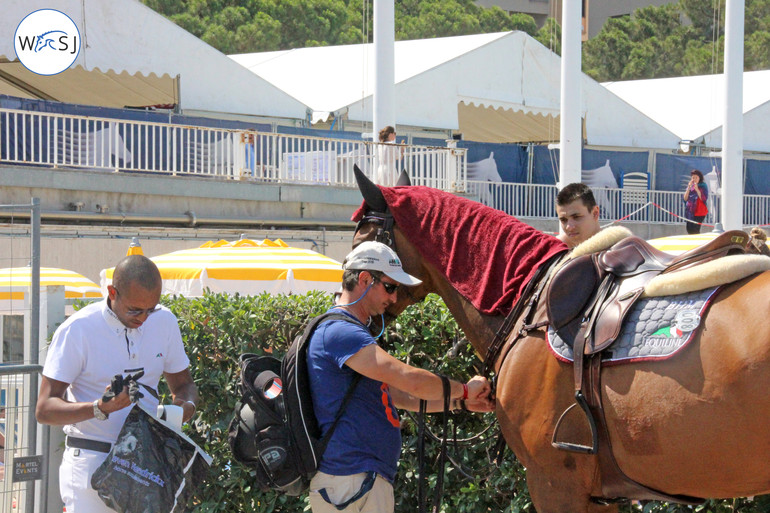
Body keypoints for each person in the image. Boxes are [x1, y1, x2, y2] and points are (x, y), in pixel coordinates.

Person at [307, 241, 494, 513]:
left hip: (357, 481)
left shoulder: (350, 334)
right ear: (365, 279)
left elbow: (399, 396)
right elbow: (409, 379)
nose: (394, 298)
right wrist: (464, 390)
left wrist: (459, 403)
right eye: (391, 287)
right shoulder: (339, 332)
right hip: (350, 482)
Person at [36, 255, 198, 513]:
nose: (143, 318)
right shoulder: (78, 329)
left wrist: (185, 406)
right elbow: (44, 409)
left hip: (147, 463)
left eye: (151, 309)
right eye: (135, 309)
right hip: (92, 462)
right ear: (112, 292)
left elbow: (184, 384)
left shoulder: (164, 321)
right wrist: (100, 407)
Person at [555, 182, 602, 249]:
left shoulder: (618, 250)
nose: (569, 227)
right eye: (563, 220)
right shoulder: (556, 251)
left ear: (595, 213)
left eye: (576, 217)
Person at [683, 169, 709, 234]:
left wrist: (697, 189)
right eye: (693, 177)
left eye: (696, 177)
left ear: (700, 178)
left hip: (700, 212)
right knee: (689, 229)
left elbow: (704, 198)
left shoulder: (703, 186)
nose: (694, 179)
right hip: (690, 211)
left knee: (695, 229)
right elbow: (685, 198)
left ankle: (697, 243)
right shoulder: (690, 186)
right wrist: (688, 188)